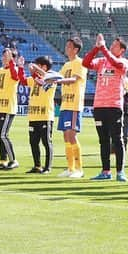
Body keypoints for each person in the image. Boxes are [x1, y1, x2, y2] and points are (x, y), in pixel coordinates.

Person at [82, 33, 128, 182]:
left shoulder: (123, 62)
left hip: (114, 106)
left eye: (115, 45)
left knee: (117, 139)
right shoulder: (102, 61)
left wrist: (103, 48)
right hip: (99, 106)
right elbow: (86, 63)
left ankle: (120, 171)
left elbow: (116, 64)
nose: (111, 46)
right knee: (103, 140)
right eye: (112, 44)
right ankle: (105, 171)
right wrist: (96, 48)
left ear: (121, 50)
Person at [46, 37, 88, 178]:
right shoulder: (66, 65)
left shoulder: (80, 63)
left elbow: (73, 79)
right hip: (65, 104)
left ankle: (79, 169)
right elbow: (57, 76)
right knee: (66, 136)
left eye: (69, 46)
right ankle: (70, 168)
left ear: (76, 49)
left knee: (72, 135)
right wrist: (45, 78)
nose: (67, 48)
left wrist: (58, 80)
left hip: (74, 104)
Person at [0, 47, 25, 170]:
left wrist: (12, 62)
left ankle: (13, 160)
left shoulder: (13, 69)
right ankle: (3, 161)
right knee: (0, 136)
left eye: (8, 57)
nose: (4, 59)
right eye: (4, 56)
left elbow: (16, 77)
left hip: (8, 108)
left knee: (4, 135)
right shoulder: (0, 71)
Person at [25, 56, 55, 174]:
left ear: (44, 66)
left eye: (38, 65)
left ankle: (47, 167)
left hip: (45, 115)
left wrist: (34, 73)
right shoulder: (34, 78)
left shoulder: (52, 78)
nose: (35, 67)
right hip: (33, 115)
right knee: (33, 141)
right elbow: (23, 80)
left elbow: (43, 84)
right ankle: (37, 166)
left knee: (46, 142)